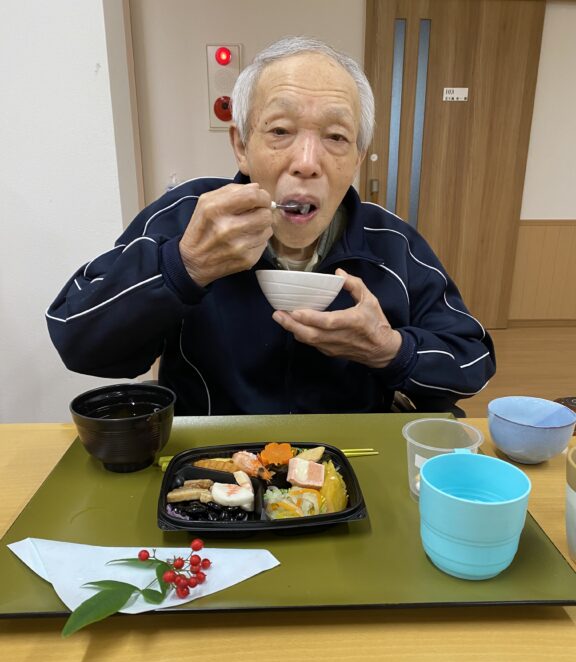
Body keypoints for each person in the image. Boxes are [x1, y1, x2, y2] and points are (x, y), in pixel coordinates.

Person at [47, 36, 495, 416]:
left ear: (357, 159)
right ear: (242, 146)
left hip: (350, 461)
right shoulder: (186, 216)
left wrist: (390, 350)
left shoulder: (391, 242)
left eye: (336, 137)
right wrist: (183, 267)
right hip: (209, 463)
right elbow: (76, 337)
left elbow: (472, 361)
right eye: (280, 130)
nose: (307, 162)